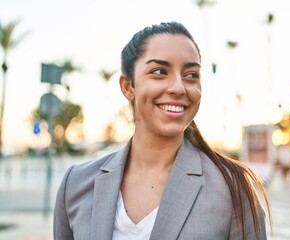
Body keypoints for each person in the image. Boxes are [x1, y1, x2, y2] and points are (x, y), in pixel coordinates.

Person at [54, 21, 270, 240]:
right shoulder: (77, 184)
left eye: (191, 75)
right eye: (159, 71)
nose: (178, 87)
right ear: (128, 86)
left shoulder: (232, 186)